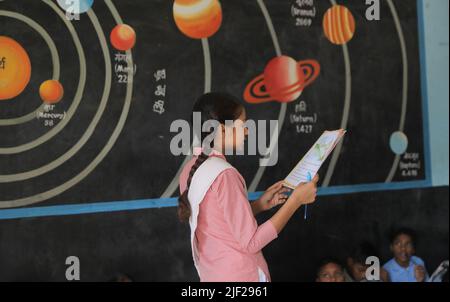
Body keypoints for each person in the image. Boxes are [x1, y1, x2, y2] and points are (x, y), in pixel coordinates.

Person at [178, 92, 319, 282]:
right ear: (222, 129)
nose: (247, 131)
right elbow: (252, 242)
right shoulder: (225, 174)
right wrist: (295, 201)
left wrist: (258, 205)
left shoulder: (189, 170)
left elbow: (219, 221)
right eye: (242, 124)